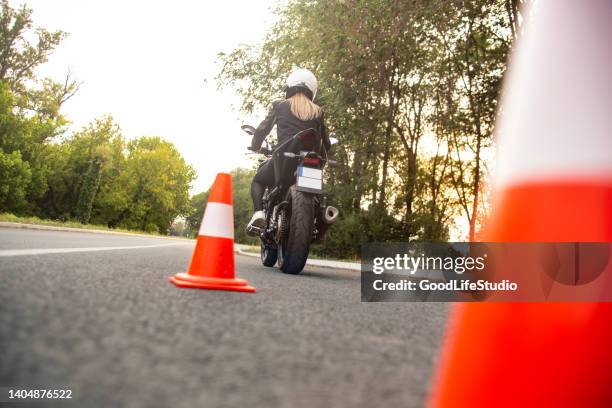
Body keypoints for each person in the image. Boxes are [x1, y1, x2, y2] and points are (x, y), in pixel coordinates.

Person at [246, 68, 331, 234]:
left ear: (290, 86)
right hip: (310, 163)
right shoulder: (318, 112)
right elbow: (326, 143)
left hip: (283, 159)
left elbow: (262, 130)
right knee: (318, 197)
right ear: (312, 90)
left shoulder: (280, 106)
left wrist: (256, 145)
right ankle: (320, 218)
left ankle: (258, 214)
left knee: (258, 180)